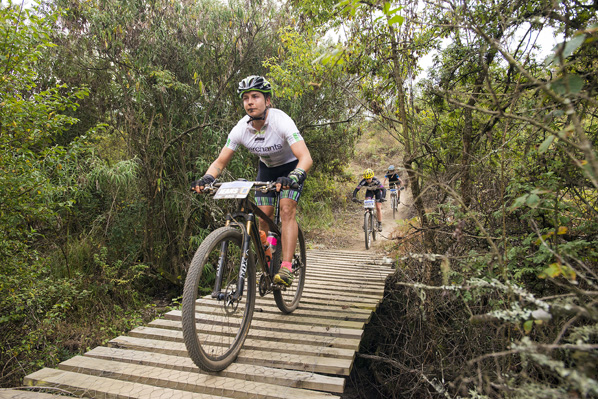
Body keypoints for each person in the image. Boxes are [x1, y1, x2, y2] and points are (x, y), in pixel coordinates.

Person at [191, 75, 313, 287]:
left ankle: (286, 267)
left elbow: (306, 158)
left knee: (286, 210)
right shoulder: (241, 129)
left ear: (267, 101)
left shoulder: (281, 121)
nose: (249, 101)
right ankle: (268, 254)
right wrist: (207, 178)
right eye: (245, 97)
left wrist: (295, 175)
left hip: (291, 167)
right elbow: (220, 162)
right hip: (267, 170)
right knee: (262, 217)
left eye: (255, 96)